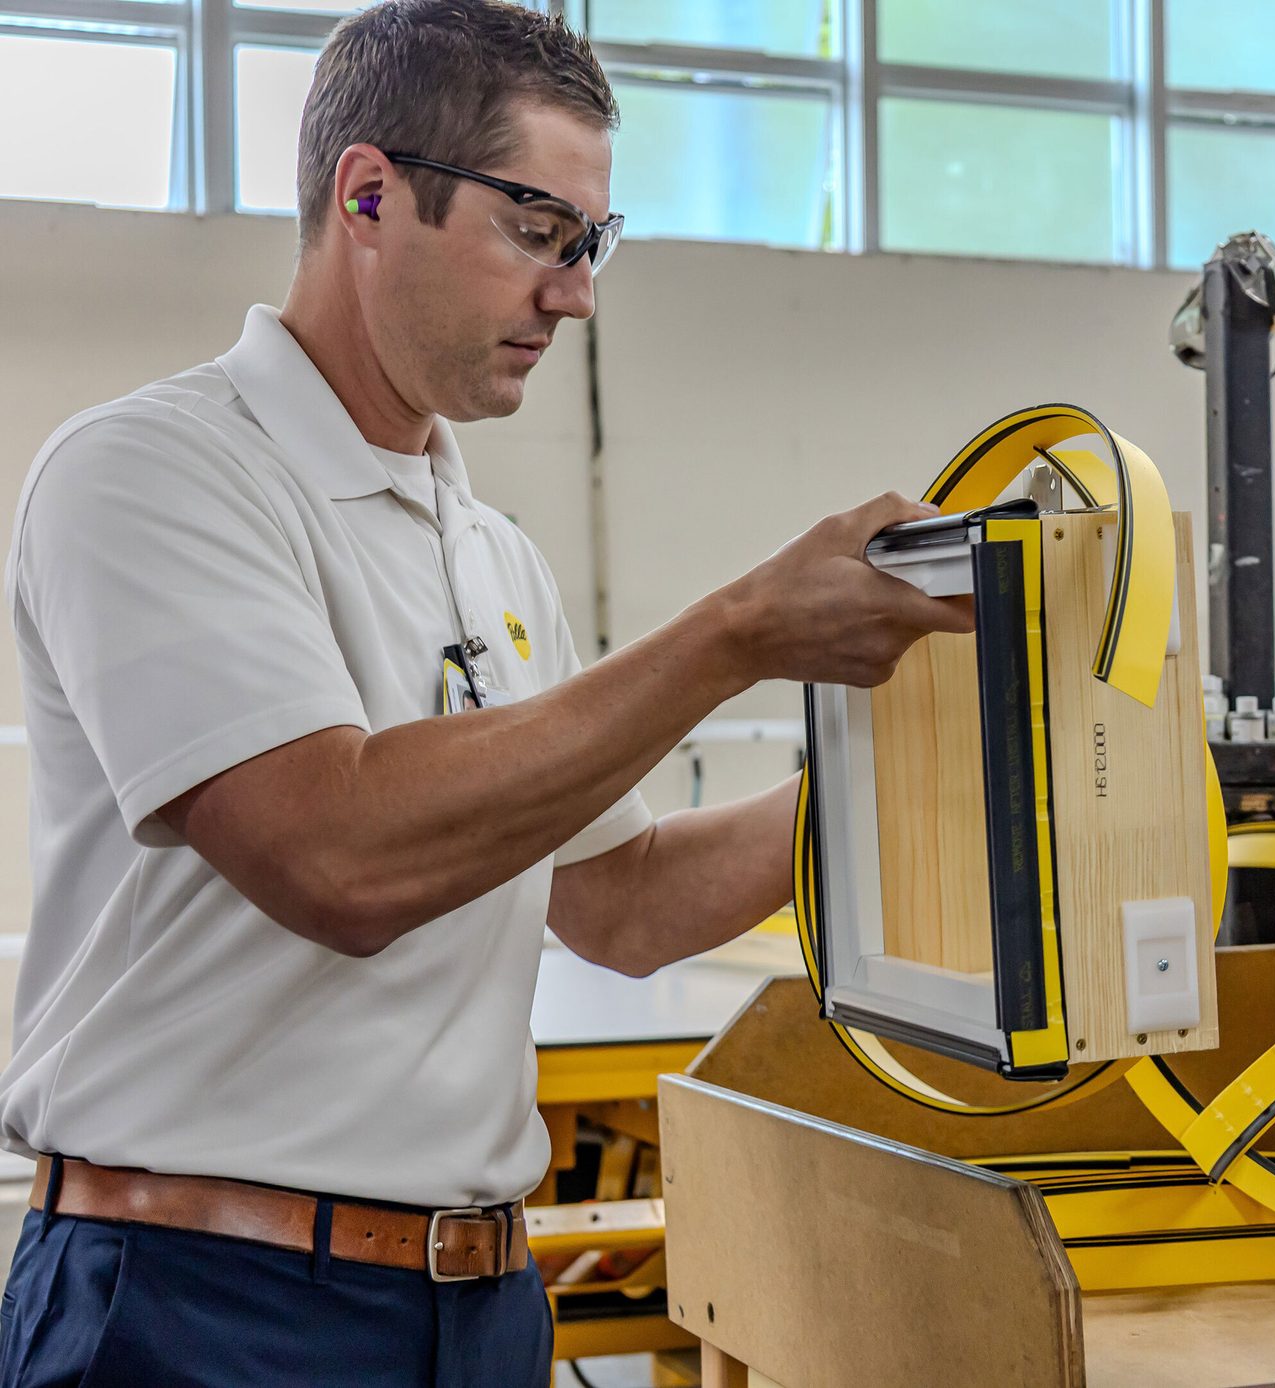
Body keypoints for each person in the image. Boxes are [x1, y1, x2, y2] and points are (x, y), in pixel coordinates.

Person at [0, 4, 969, 1384]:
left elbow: (621, 903)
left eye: (592, 244)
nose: (574, 294)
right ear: (370, 195)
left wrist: (930, 779)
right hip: (202, 1304)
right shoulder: (153, 475)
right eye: (538, 232)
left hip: (476, 1307)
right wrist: (741, 631)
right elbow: (332, 853)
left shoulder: (489, 553)